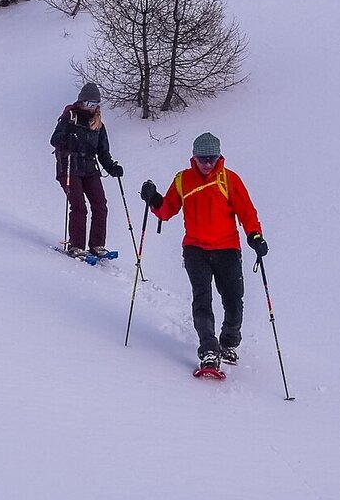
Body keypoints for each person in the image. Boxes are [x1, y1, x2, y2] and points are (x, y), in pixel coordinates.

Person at [140, 132, 268, 373]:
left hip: (227, 248)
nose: (207, 163)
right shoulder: (183, 180)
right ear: (194, 158)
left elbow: (247, 212)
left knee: (233, 300)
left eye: (212, 158)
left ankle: (228, 342)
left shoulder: (230, 180)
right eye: (202, 158)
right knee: (202, 299)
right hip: (195, 249)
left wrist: (255, 236)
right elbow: (167, 210)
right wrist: (153, 198)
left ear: (219, 157)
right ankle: (208, 349)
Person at [49, 82, 124, 258]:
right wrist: (65, 135)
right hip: (69, 166)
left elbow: (103, 152)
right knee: (79, 206)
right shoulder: (70, 117)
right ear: (81, 101)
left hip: (90, 167)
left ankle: (97, 245)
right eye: (89, 103)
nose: (92, 108)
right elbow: (54, 139)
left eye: (96, 104)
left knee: (100, 205)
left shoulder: (97, 124)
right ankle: (76, 246)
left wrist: (112, 167)